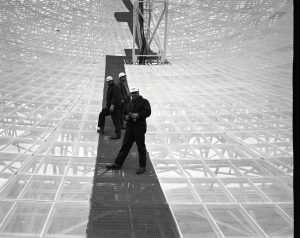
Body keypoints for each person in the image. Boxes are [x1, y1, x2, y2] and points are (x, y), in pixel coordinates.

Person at [106, 86, 151, 175]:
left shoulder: (144, 102)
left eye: (135, 93)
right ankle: (117, 164)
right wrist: (125, 117)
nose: (134, 95)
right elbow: (123, 113)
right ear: (131, 94)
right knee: (125, 146)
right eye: (132, 93)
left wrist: (137, 115)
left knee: (141, 147)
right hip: (130, 128)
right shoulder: (129, 103)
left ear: (138, 93)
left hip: (139, 128)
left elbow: (148, 112)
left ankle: (142, 166)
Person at [97, 76, 122, 140]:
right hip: (109, 107)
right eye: (108, 81)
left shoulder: (115, 87)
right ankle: (101, 128)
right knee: (102, 113)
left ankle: (118, 134)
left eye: (110, 81)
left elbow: (115, 97)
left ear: (112, 81)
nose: (109, 82)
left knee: (116, 121)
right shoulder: (111, 87)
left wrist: (113, 105)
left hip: (114, 107)